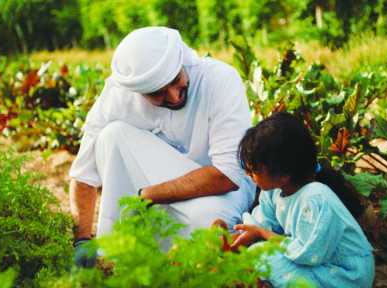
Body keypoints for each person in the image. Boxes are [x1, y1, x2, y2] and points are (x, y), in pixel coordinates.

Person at [69, 26, 256, 266]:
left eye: (176, 81)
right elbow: (83, 174)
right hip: (162, 195)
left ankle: (154, 248)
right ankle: (117, 250)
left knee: (210, 224)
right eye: (157, 94)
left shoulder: (219, 79)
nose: (174, 97)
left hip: (222, 195)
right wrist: (82, 240)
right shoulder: (118, 96)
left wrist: (147, 196)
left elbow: (228, 176)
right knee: (111, 136)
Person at [215, 112, 374, 288]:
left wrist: (263, 234)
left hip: (346, 273)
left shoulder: (316, 198)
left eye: (254, 171)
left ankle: (260, 282)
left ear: (283, 174)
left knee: (269, 260)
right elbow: (262, 223)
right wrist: (240, 239)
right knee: (257, 253)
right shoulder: (273, 191)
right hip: (315, 261)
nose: (248, 175)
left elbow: (309, 254)